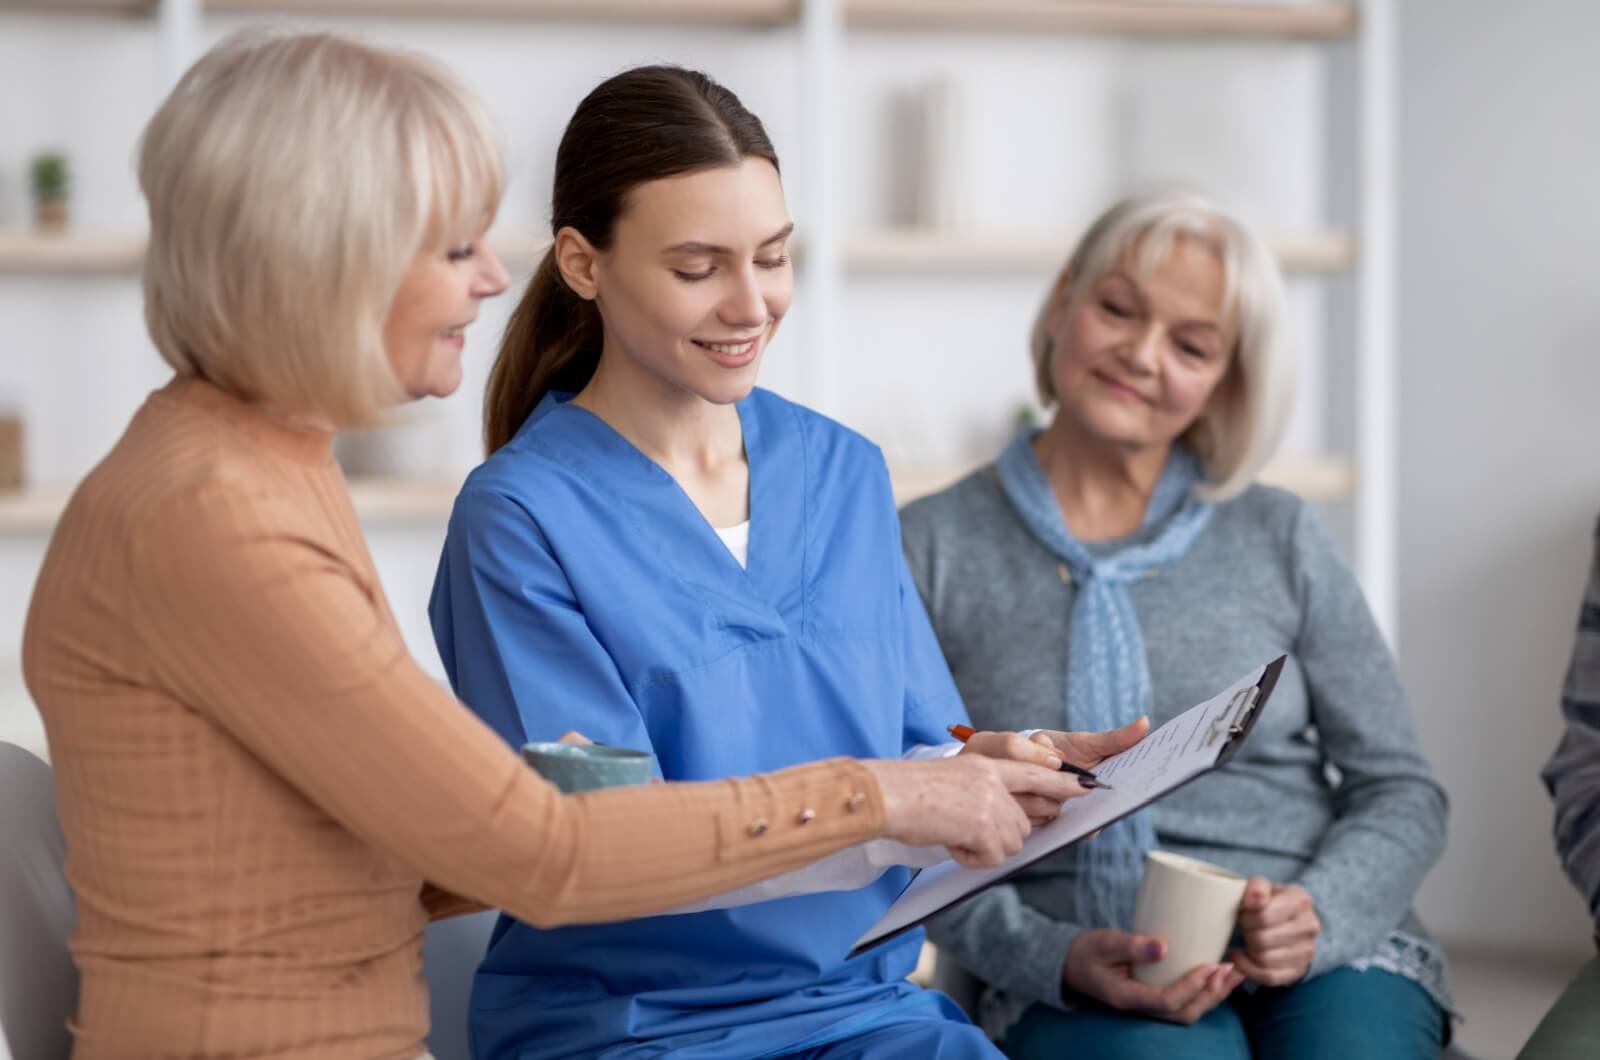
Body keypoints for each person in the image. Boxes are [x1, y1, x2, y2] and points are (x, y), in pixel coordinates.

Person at [19, 33, 1080, 1060]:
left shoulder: (272, 469)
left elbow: (399, 848)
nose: (493, 276)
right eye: (450, 245)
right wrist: (882, 799)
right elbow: (547, 845)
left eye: (771, 254)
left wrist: (944, 783)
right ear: (317, 257)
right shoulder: (220, 516)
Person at [427, 65, 1142, 1060]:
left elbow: (910, 745)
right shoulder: (519, 519)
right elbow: (600, 850)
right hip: (632, 1026)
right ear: (583, 264)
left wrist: (988, 770)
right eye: (696, 267)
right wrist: (896, 799)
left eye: (772, 256)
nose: (750, 303)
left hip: (858, 1007)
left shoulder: (839, 471)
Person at [900, 189, 1453, 1059]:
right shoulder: (930, 544)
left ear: (1227, 381)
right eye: (1118, 309)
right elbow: (909, 817)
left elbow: (1402, 790)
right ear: (1064, 302)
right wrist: (1054, 955)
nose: (1141, 354)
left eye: (1191, 345)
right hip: (1069, 953)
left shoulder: (1281, 534)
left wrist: (1323, 913)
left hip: (1323, 941)